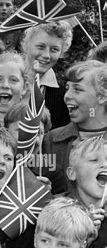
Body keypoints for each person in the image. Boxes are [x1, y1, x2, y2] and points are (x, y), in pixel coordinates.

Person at [44, 60, 107, 194]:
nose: (67, 96)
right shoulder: (51, 140)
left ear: (101, 97)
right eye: (67, 88)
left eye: (77, 90)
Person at [65, 136, 107, 248]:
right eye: (94, 160)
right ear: (72, 173)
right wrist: (82, 235)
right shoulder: (57, 211)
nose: (104, 165)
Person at [22, 21, 72, 129]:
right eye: (40, 46)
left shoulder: (63, 96)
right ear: (26, 45)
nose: (46, 55)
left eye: (54, 49)